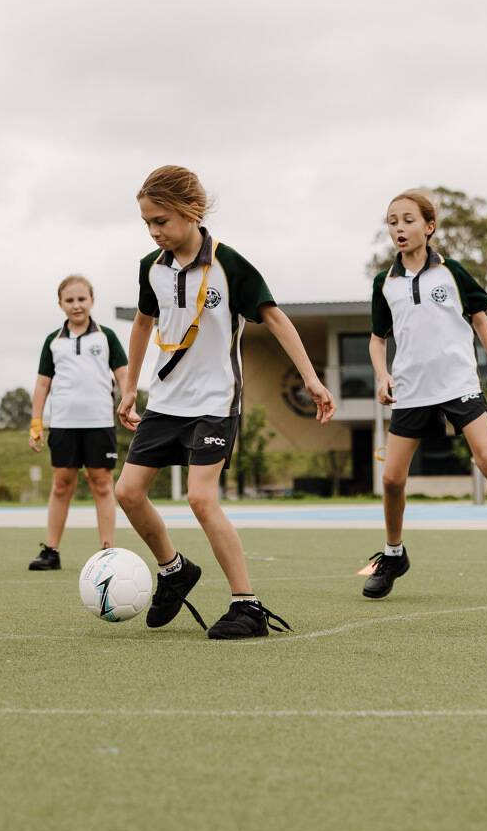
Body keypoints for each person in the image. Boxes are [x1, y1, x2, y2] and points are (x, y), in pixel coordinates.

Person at [114, 165, 335, 640]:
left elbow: (275, 319)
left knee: (200, 497)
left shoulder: (229, 264)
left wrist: (311, 379)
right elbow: (141, 324)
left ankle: (247, 605)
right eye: (148, 223)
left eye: (162, 221)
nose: (154, 232)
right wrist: (131, 386)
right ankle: (174, 570)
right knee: (127, 493)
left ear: (191, 212)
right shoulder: (150, 268)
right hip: (167, 400)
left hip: (215, 401)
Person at [364, 188, 487, 598]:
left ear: (429, 227)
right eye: (393, 221)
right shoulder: (386, 283)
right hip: (412, 392)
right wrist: (382, 375)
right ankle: (393, 554)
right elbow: (377, 339)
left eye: (409, 220)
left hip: (458, 384)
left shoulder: (452, 272)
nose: (399, 227)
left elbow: (481, 321)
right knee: (393, 478)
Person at [26, 274, 129, 570]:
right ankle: (51, 551)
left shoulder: (106, 337)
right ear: (60, 304)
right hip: (63, 424)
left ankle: (108, 551)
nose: (76, 305)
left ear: (92, 301)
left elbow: (123, 375)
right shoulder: (53, 342)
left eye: (81, 299)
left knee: (102, 484)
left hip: (99, 423)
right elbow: (43, 385)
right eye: (69, 300)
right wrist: (36, 423)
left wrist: (128, 403)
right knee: (61, 485)